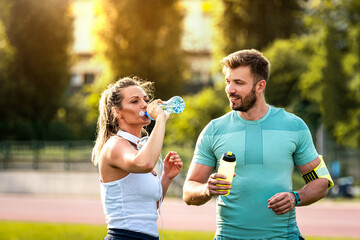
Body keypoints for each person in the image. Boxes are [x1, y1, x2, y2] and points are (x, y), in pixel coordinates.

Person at [183, 49, 333, 240]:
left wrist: (296, 197)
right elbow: (189, 190)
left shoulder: (294, 126)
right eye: (228, 81)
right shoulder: (214, 130)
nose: (230, 89)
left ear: (260, 86)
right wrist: (206, 189)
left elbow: (321, 183)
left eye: (239, 82)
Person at [92, 76, 183, 240]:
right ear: (116, 111)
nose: (145, 105)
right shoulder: (115, 145)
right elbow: (145, 163)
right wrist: (161, 119)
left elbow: (148, 207)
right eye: (134, 101)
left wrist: (167, 177)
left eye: (146, 100)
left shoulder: (138, 148)